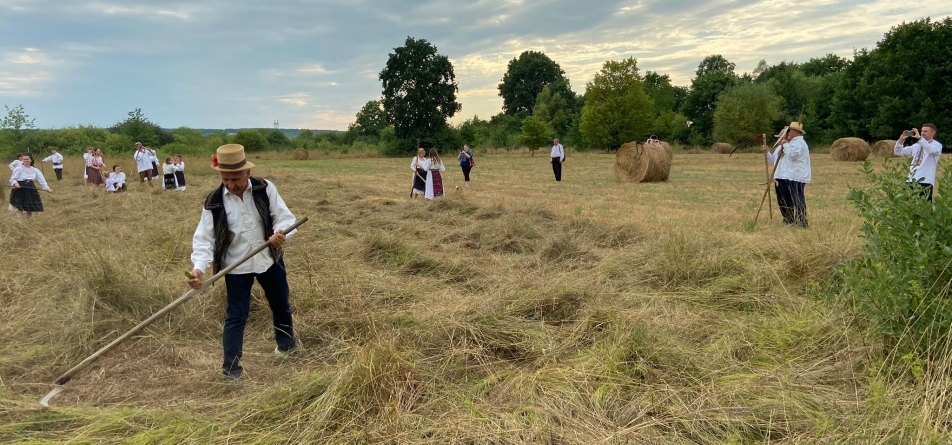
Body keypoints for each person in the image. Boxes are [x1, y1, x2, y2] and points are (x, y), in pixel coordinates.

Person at [186, 144, 298, 380]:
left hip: (269, 259)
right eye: (225, 179)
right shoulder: (214, 201)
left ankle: (286, 348)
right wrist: (198, 269)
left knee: (281, 306)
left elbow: (285, 218)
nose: (230, 184)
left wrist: (280, 233)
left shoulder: (264, 188)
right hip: (237, 267)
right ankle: (231, 370)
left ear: (247, 173)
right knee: (236, 317)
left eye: (235, 179)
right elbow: (204, 239)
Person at [763, 121, 811, 228]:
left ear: (795, 132)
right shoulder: (791, 143)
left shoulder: (800, 143)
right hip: (787, 175)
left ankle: (802, 222)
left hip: (797, 176)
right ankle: (790, 220)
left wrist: (785, 145)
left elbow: (793, 155)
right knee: (787, 200)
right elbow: (778, 160)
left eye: (790, 131)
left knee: (797, 200)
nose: (788, 133)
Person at [895, 124, 943, 201]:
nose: (923, 133)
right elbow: (898, 152)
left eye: (925, 131)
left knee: (924, 205)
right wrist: (901, 140)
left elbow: (930, 150)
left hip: (925, 181)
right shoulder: (916, 146)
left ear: (933, 133)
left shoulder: (937, 145)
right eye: (922, 131)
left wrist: (920, 139)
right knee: (906, 205)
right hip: (911, 180)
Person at [9, 153, 52, 220]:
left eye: (27, 159)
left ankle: (28, 222)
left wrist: (47, 188)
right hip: (20, 188)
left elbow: (42, 180)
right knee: (19, 207)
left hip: (30, 188)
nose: (25, 160)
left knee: (29, 207)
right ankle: (19, 223)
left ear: (31, 160)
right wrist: (16, 183)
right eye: (24, 159)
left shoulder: (35, 170)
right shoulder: (18, 169)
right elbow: (13, 179)